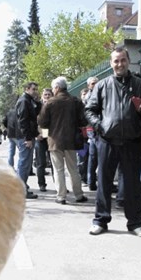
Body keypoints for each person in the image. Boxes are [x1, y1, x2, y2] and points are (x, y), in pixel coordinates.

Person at [85, 47, 141, 237]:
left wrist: (139, 127)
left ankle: (135, 223)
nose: (120, 64)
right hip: (107, 141)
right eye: (116, 61)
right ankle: (100, 220)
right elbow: (89, 110)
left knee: (133, 184)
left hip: (131, 142)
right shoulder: (102, 86)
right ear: (111, 63)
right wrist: (99, 125)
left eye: (123, 60)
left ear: (128, 61)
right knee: (104, 182)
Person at [38, 77, 88, 205]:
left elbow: (43, 122)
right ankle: (79, 194)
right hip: (71, 140)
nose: (53, 90)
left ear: (57, 88)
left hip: (55, 140)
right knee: (73, 169)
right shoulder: (75, 101)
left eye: (54, 88)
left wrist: (47, 129)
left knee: (58, 169)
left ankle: (61, 196)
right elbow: (83, 120)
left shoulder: (50, 103)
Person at [15, 82, 40, 199]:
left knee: (26, 163)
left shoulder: (29, 100)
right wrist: (28, 138)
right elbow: (23, 121)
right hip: (25, 137)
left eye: (36, 89)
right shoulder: (24, 101)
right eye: (33, 89)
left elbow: (35, 114)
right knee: (24, 163)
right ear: (26, 89)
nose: (35, 91)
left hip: (28, 136)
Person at [34, 88, 53, 192]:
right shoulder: (37, 106)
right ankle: (42, 184)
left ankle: (58, 185)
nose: (47, 96)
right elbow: (34, 120)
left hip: (52, 137)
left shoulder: (55, 105)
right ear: (42, 96)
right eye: (45, 94)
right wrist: (37, 134)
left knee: (54, 163)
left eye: (49, 94)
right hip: (41, 137)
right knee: (40, 162)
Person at [85, 77, 100, 191]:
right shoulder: (89, 96)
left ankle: (92, 181)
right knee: (95, 156)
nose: (95, 85)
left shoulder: (98, 94)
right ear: (89, 85)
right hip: (93, 129)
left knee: (93, 156)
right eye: (93, 83)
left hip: (95, 129)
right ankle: (92, 181)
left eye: (97, 83)